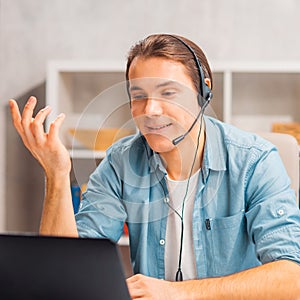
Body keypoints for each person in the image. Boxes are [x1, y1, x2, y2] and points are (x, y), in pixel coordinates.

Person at [9, 34, 300, 299]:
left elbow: (292, 277)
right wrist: (57, 174)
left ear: (204, 92)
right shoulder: (121, 161)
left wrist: (179, 293)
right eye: (138, 96)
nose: (150, 110)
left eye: (168, 93)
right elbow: (66, 271)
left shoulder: (254, 160)